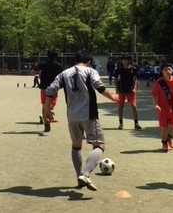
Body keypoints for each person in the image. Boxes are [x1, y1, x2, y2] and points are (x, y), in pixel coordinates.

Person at [44, 50, 119, 191]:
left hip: (72, 115)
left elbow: (50, 90)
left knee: (76, 145)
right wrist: (113, 97)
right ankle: (85, 174)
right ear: (89, 62)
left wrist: (47, 109)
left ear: (75, 60)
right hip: (88, 113)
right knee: (99, 145)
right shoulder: (90, 71)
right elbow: (100, 87)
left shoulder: (64, 73)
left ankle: (79, 177)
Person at [151, 63, 173, 151]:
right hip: (162, 111)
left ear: (172, 70)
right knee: (164, 129)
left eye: (169, 69)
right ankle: (164, 144)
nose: (167, 71)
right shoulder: (159, 83)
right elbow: (153, 95)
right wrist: (156, 105)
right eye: (165, 70)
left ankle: (169, 138)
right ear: (162, 72)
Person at [36, 50, 64, 130]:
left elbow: (34, 69)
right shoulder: (58, 65)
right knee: (51, 103)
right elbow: (63, 75)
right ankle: (49, 113)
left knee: (44, 104)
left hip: (44, 87)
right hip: (53, 87)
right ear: (56, 57)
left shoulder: (43, 64)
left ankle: (46, 122)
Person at [114, 55, 142, 130]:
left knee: (133, 106)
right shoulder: (119, 69)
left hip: (130, 90)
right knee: (120, 106)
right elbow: (116, 79)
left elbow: (135, 79)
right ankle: (121, 123)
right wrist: (117, 89)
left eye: (126, 60)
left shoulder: (133, 69)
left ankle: (136, 123)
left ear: (129, 61)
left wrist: (135, 89)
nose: (125, 61)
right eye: (124, 60)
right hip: (121, 90)